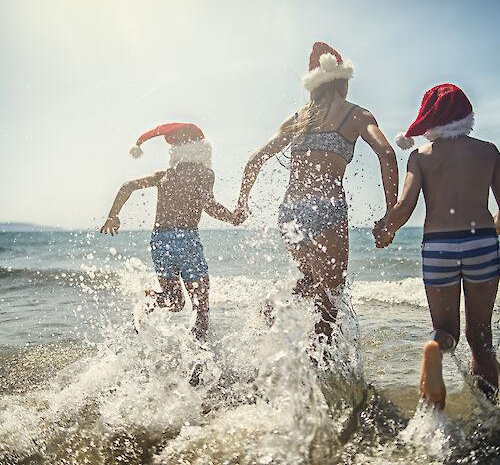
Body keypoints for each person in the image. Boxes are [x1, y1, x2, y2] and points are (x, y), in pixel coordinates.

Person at [235, 42, 398, 337]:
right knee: (330, 298)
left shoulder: (298, 119)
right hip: (327, 209)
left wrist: (242, 204)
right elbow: (387, 154)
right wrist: (391, 213)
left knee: (310, 280)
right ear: (342, 80)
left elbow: (255, 159)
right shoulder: (356, 115)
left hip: (290, 215)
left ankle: (270, 309)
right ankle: (319, 370)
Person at [373, 84, 500, 408]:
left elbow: (405, 206)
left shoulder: (421, 157)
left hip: (439, 247)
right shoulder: (488, 151)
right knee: (480, 338)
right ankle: (491, 416)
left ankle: (436, 351)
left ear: (430, 118)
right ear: (466, 115)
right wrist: (489, 230)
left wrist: (385, 230)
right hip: (481, 244)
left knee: (446, 331)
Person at [101, 123, 240, 341]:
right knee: (200, 306)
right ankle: (199, 363)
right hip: (186, 240)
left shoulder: (162, 175)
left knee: (174, 300)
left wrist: (113, 216)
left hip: (159, 241)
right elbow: (209, 205)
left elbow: (127, 186)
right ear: (203, 150)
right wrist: (233, 218)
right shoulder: (204, 174)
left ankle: (144, 306)